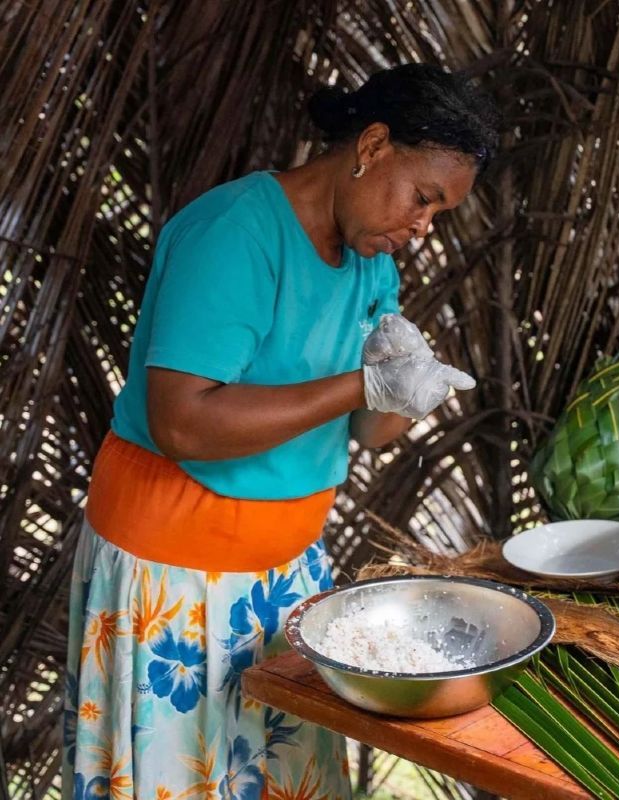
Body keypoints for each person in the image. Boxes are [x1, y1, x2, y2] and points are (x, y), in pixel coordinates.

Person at [63, 62, 499, 799]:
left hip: (282, 583)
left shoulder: (370, 263)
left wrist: (404, 389)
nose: (422, 228)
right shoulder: (236, 233)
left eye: (438, 215)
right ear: (373, 145)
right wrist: (359, 383)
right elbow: (183, 421)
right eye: (422, 199)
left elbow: (370, 432)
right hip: (173, 581)